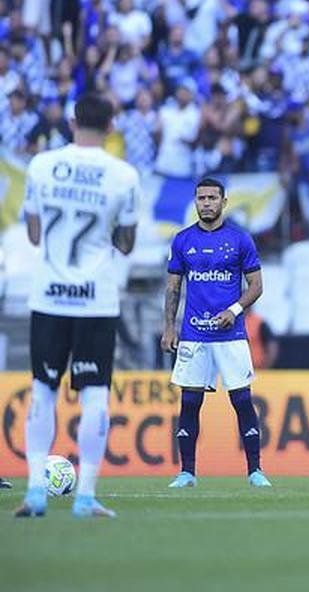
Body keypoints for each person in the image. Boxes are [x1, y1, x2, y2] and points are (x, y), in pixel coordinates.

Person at [15, 94, 140, 519]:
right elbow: (126, 244)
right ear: (111, 127)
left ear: (72, 122)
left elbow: (33, 233)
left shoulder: (41, 166)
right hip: (96, 300)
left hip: (49, 294)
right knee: (95, 396)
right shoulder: (123, 175)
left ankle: (35, 492)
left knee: (42, 390)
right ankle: (85, 497)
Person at [162, 178, 270, 489]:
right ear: (195, 202)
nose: (206, 203)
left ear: (224, 202)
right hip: (194, 335)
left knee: (242, 401)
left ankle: (255, 471)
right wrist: (169, 327)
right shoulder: (182, 241)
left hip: (231, 336)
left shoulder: (240, 240)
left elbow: (257, 286)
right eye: (201, 198)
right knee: (190, 403)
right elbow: (173, 288)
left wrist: (234, 311)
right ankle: (187, 472)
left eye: (212, 198)